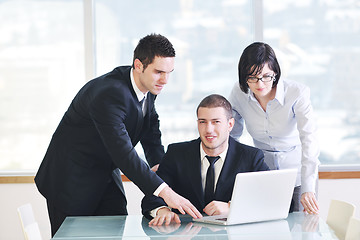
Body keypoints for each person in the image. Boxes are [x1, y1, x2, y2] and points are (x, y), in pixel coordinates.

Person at [35, 33, 201, 236]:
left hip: (105, 175)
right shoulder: (110, 94)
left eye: (169, 72)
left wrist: (161, 169)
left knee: (116, 230)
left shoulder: (148, 87)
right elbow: (124, 153)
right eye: (159, 72)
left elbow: (151, 134)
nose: (165, 80)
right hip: (71, 180)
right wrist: (166, 193)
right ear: (139, 65)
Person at [141, 94, 269, 226]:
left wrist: (232, 207)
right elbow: (152, 196)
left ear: (230, 124)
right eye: (203, 122)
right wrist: (162, 211)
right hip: (185, 234)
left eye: (216, 122)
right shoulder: (176, 153)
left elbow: (270, 199)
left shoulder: (251, 157)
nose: (209, 129)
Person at [228, 42, 320, 214]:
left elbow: (309, 140)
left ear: (275, 72)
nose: (260, 83)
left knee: (303, 230)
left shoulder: (297, 93)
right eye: (252, 77)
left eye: (266, 76)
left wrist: (308, 187)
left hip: (299, 175)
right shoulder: (239, 93)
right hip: (265, 176)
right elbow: (231, 137)